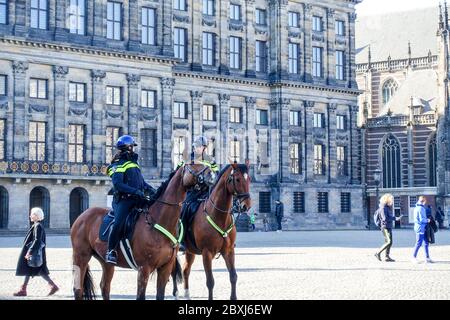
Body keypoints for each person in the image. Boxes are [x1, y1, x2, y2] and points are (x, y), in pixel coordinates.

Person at [105, 135, 156, 264]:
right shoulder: (117, 165)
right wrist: (136, 191)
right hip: (123, 201)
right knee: (119, 223)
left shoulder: (134, 164)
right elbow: (118, 185)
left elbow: (142, 183)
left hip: (138, 198)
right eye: (132, 146)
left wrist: (154, 192)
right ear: (128, 147)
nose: (134, 149)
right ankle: (111, 251)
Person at [179, 136, 219, 251]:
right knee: (184, 211)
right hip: (192, 191)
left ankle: (225, 237)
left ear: (204, 148)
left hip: (207, 191)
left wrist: (210, 178)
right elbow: (178, 172)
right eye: (195, 146)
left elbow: (216, 175)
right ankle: (181, 240)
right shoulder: (187, 158)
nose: (197, 148)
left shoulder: (210, 160)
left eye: (199, 146)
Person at [13, 207, 59, 297]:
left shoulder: (38, 226)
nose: (30, 216)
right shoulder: (36, 225)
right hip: (36, 253)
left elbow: (37, 240)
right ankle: (24, 289)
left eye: (32, 214)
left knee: (34, 268)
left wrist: (29, 251)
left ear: (36, 216)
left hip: (35, 252)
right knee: (34, 269)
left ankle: (23, 289)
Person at [374, 194, 400, 262]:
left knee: (390, 242)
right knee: (388, 242)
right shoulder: (383, 208)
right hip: (385, 227)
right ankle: (378, 253)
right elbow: (384, 218)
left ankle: (387, 256)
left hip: (388, 226)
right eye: (391, 200)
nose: (392, 201)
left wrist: (394, 218)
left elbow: (388, 217)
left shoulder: (387, 207)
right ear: (387, 199)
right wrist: (394, 218)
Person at [412, 196, 433, 263]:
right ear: (423, 201)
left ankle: (427, 257)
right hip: (421, 228)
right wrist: (428, 220)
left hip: (419, 227)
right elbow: (422, 219)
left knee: (426, 242)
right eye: (425, 202)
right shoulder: (421, 208)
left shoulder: (416, 207)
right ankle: (413, 257)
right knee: (419, 243)